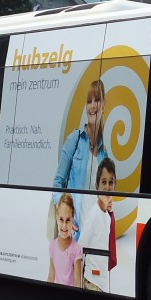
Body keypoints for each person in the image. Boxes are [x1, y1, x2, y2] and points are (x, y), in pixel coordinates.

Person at [52, 79, 108, 235]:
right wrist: (65, 216)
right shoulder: (75, 140)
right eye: (89, 101)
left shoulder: (104, 154)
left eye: (97, 100)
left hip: (95, 234)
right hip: (75, 233)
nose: (92, 106)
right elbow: (57, 184)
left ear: (104, 104)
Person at [81, 157, 118, 290]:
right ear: (97, 186)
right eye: (104, 182)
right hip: (92, 281)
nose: (107, 187)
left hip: (101, 280)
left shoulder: (107, 214)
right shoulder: (95, 214)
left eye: (111, 182)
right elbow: (81, 246)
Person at [47, 193, 83, 287]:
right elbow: (51, 277)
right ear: (57, 217)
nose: (64, 225)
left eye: (68, 220)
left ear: (73, 218)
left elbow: (77, 283)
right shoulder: (53, 246)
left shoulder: (76, 249)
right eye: (61, 220)